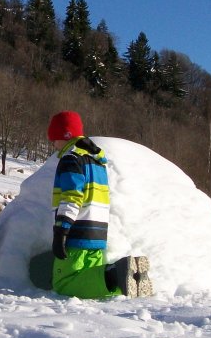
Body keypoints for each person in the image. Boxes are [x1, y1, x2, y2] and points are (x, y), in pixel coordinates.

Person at [47, 110, 152, 298]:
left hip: (76, 234)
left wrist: (61, 230)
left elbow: (72, 197)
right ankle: (132, 279)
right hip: (97, 234)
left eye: (54, 138)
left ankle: (116, 275)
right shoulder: (97, 162)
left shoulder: (71, 159)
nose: (53, 143)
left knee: (64, 283)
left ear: (65, 135)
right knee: (92, 280)